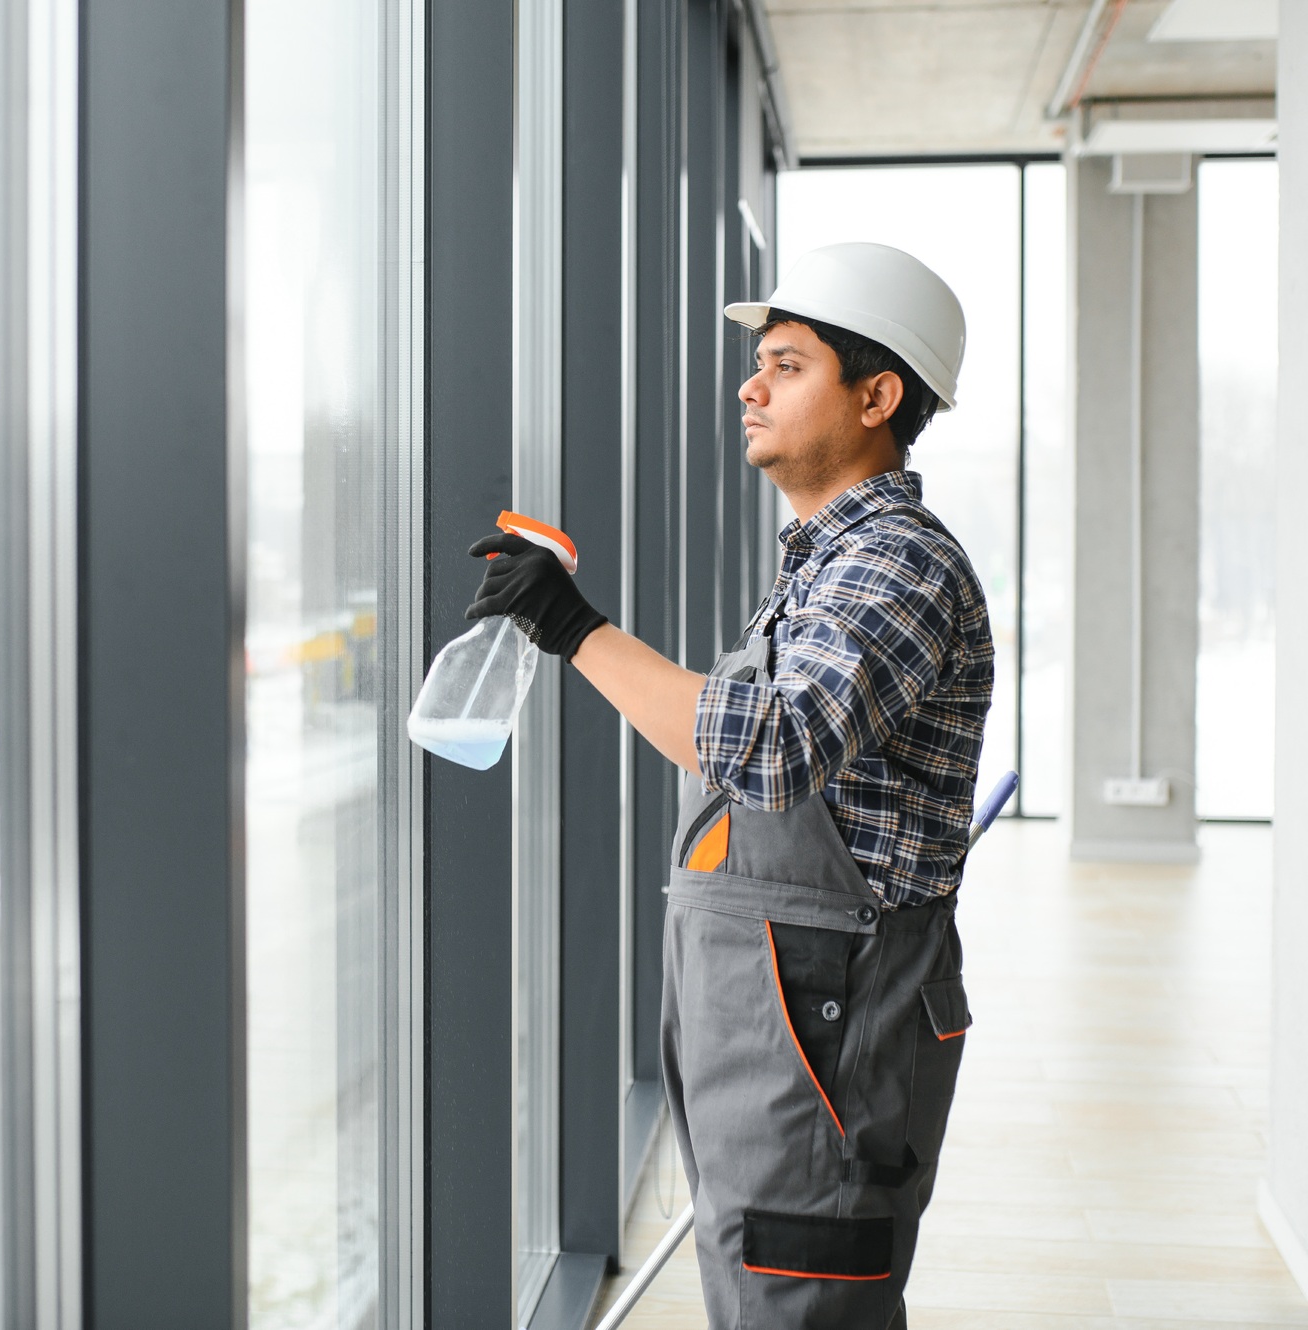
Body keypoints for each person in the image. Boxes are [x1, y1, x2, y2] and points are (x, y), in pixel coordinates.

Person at [467, 241, 992, 1328]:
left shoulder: (896, 562)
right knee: (771, 1293)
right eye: (760, 364)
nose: (750, 388)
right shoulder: (823, 563)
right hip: (780, 1011)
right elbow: (732, 751)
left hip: (828, 1023)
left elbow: (769, 747)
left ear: (876, 397)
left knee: (801, 1299)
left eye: (787, 366)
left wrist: (574, 627)